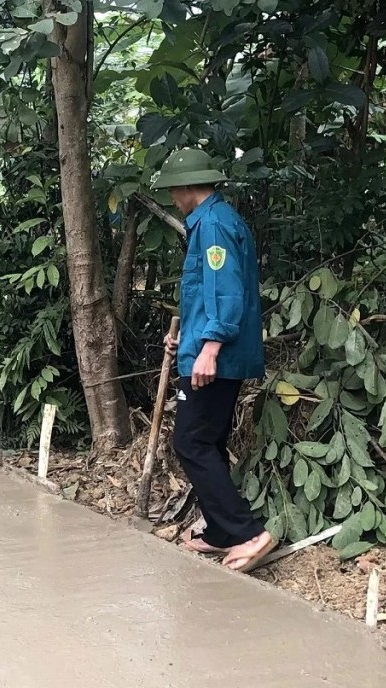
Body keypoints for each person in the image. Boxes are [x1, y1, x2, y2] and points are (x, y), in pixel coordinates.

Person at [153, 147, 272, 573]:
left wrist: (209, 347)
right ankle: (221, 532)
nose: (172, 198)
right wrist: (188, 340)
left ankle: (246, 531)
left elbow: (224, 291)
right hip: (210, 351)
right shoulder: (212, 221)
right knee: (210, 441)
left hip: (218, 357)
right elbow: (204, 294)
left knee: (191, 442)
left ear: (187, 186)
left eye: (173, 190)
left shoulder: (215, 226)